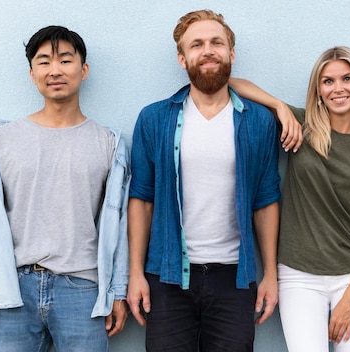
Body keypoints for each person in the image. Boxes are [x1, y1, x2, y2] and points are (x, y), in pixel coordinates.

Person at [126, 10, 295, 352]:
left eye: (216, 42)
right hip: (168, 275)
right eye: (197, 44)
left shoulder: (258, 121)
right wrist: (135, 273)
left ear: (231, 54)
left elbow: (265, 201)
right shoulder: (154, 118)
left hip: (234, 276)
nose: (208, 50)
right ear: (182, 57)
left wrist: (270, 276)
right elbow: (142, 199)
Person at [0, 25, 130, 351]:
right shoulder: (2, 139)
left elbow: (119, 227)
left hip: (83, 289)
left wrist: (118, 291)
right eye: (44, 61)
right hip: (13, 289)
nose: (55, 70)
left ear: (83, 69)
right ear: (32, 73)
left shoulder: (109, 143)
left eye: (65, 60)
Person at [229, 46, 350, 352]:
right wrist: (279, 107)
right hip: (298, 275)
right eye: (328, 81)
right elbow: (233, 84)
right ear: (318, 90)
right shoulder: (302, 125)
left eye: (347, 79)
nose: (338, 89)